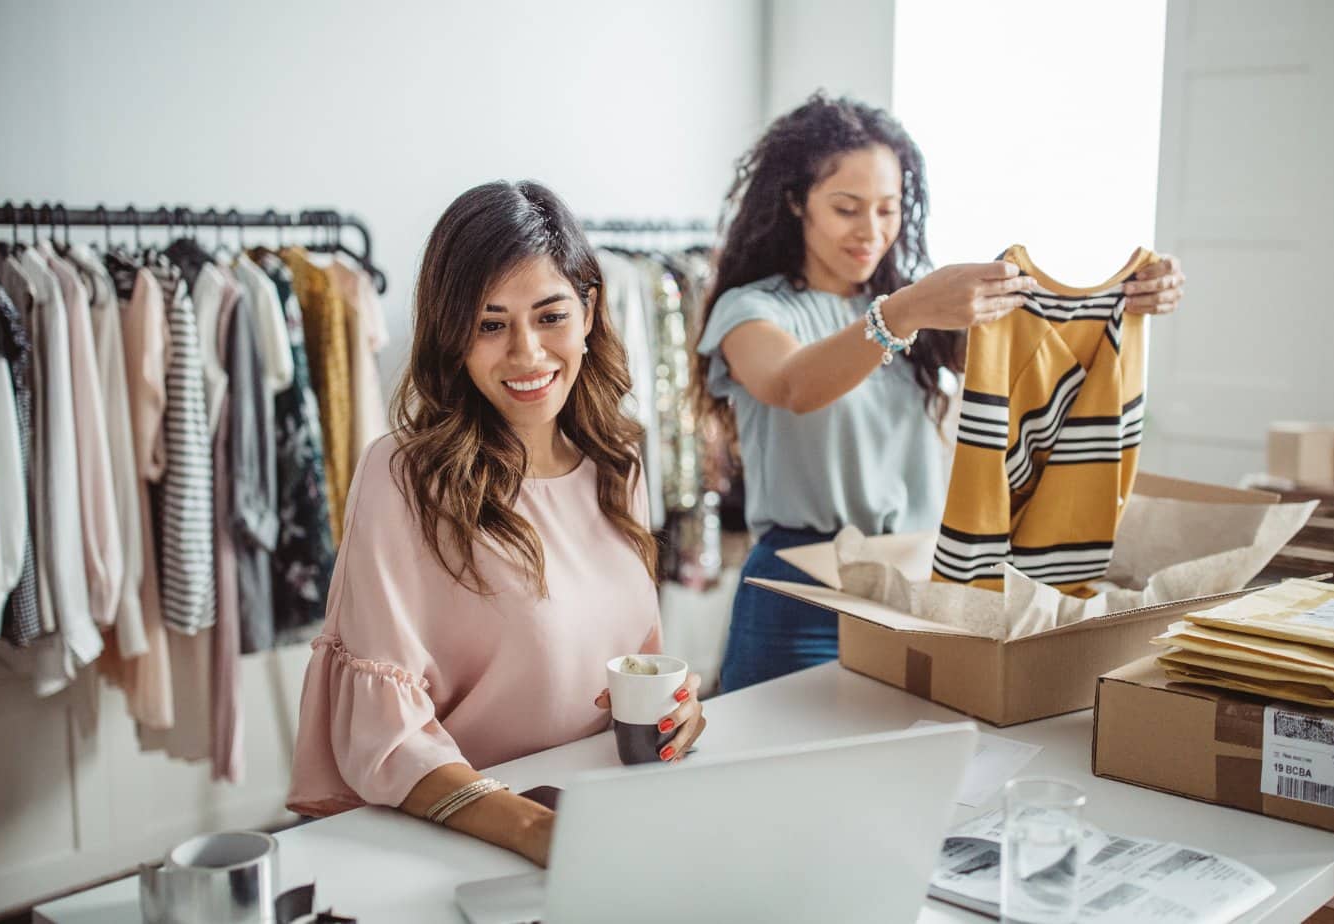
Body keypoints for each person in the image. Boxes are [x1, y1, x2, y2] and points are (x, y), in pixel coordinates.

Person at [693, 94, 1186, 693]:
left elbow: (1039, 354)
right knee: (772, 770)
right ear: (796, 202)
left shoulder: (919, 309)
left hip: (916, 584)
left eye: (887, 208)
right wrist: (904, 313)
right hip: (801, 592)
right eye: (846, 208)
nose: (870, 232)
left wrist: (1127, 298)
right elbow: (793, 385)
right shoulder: (753, 309)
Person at [287, 181, 706, 867]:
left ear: (590, 310)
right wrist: (537, 832)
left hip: (607, 818)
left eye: (550, 317)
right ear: (453, 335)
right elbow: (385, 737)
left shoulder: (617, 459)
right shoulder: (403, 478)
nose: (527, 355)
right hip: (462, 842)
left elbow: (633, 663)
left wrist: (677, 711)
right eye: (490, 324)